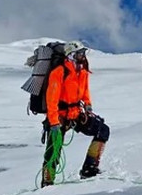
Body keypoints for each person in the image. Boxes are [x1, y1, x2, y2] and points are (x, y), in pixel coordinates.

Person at [41, 41, 110, 187]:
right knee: (53, 151)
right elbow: (51, 100)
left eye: (83, 53)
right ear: (71, 55)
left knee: (103, 130)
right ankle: (47, 182)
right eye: (80, 53)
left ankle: (89, 169)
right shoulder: (59, 72)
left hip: (77, 114)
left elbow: (85, 91)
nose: (83, 56)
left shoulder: (83, 72)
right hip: (59, 116)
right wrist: (53, 122)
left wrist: (88, 105)